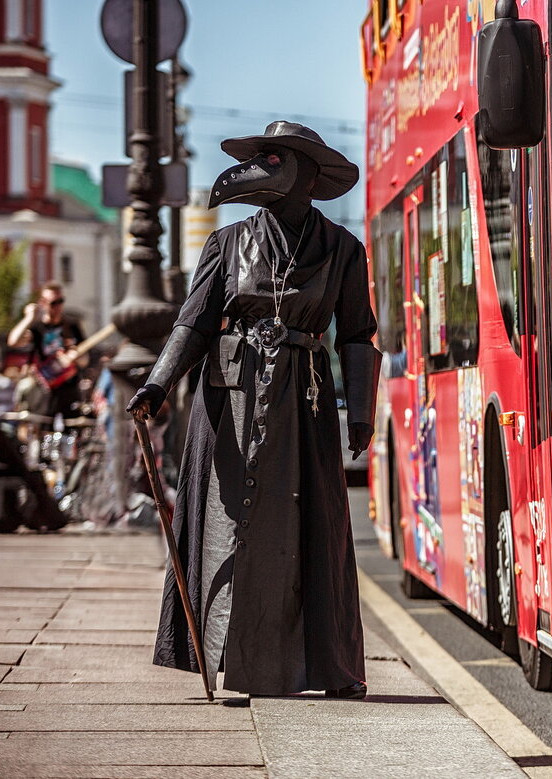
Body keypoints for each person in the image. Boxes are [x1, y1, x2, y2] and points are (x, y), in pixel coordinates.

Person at [126, 121, 380, 700]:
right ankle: (217, 653)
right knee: (225, 525)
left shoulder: (344, 249)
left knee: (313, 530)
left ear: (308, 176)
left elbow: (358, 335)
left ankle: (325, 665)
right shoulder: (228, 242)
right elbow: (193, 323)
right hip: (231, 403)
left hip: (306, 403)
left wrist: (361, 412)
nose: (265, 166)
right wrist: (158, 384)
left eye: (276, 158)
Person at [6, 282, 86, 420]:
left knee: (72, 431)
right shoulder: (37, 328)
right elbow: (13, 341)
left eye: (60, 301)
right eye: (53, 303)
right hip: (44, 390)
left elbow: (85, 360)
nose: (58, 306)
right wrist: (29, 318)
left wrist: (77, 356)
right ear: (43, 303)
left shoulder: (71, 325)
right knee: (43, 430)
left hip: (69, 388)